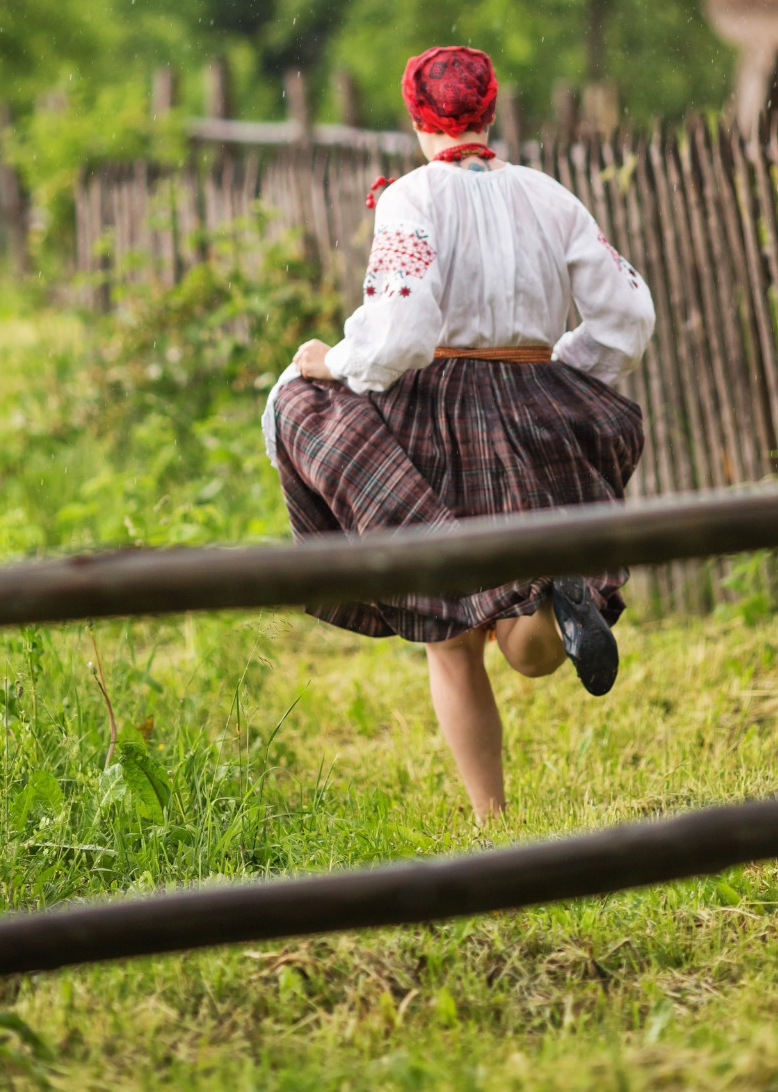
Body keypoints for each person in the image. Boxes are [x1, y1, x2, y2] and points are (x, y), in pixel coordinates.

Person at [263, 45, 655, 820]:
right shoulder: (550, 196)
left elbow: (403, 332)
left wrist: (332, 361)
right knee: (518, 631)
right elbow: (627, 317)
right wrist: (563, 373)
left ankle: (492, 821)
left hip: (435, 416)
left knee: (450, 630)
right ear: (490, 112)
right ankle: (548, 609)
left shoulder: (413, 197)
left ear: (417, 121)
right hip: (540, 403)